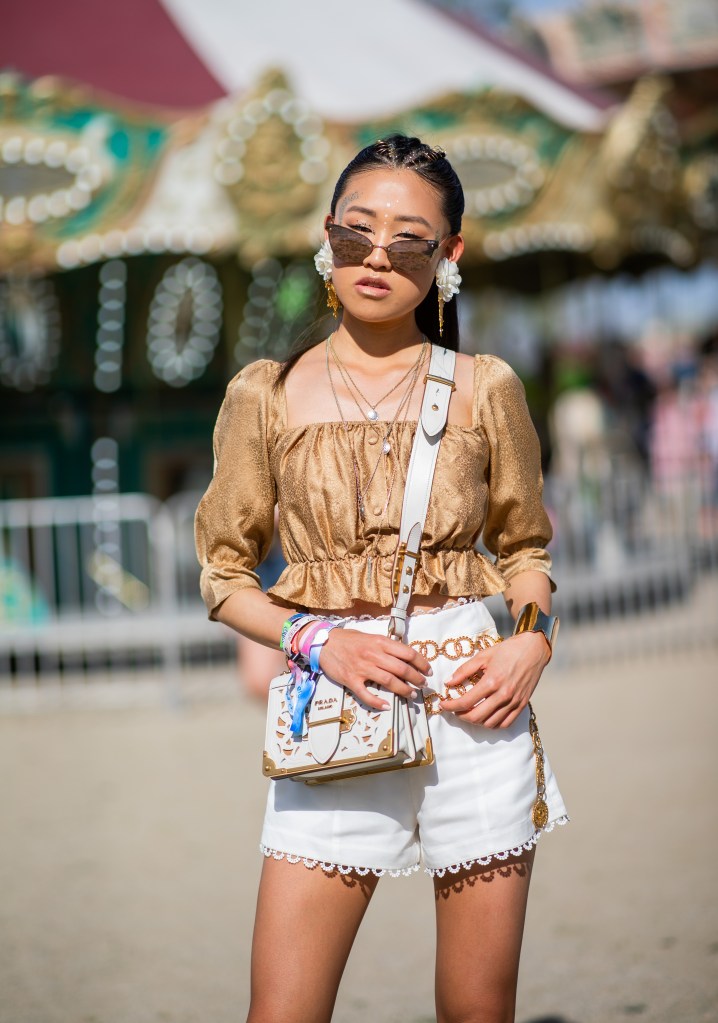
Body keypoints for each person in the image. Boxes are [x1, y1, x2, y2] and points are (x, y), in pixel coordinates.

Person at [195, 135, 568, 1023]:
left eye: (408, 239)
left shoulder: (485, 387)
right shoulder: (266, 392)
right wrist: (316, 637)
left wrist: (531, 645)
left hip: (476, 708)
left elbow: (526, 550)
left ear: (449, 255)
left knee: (476, 1009)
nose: (376, 256)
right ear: (327, 239)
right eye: (355, 231)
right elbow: (222, 573)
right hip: (333, 701)